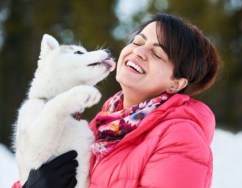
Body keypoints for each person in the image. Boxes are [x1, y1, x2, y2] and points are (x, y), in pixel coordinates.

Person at [13, 12, 222, 188]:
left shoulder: (180, 139)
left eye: (157, 54)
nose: (138, 52)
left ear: (175, 83)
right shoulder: (101, 129)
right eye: (137, 42)